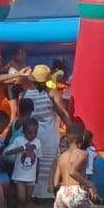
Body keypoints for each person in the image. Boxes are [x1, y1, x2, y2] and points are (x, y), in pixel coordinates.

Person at [24, 64, 72, 200]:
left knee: (35, 163)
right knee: (48, 165)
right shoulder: (52, 93)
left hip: (33, 134)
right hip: (49, 135)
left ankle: (33, 194)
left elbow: (24, 116)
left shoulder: (27, 93)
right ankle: (45, 193)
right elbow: (63, 114)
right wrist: (71, 135)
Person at [4, 117, 42, 208]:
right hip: (19, 176)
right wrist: (23, 148)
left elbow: (38, 159)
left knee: (28, 200)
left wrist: (37, 173)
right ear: (24, 131)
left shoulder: (38, 142)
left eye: (35, 132)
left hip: (31, 177)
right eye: (30, 132)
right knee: (21, 198)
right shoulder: (19, 140)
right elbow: (8, 152)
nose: (32, 135)